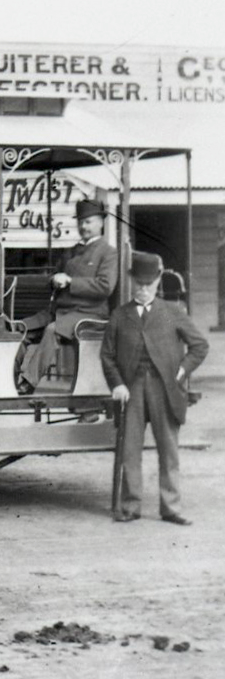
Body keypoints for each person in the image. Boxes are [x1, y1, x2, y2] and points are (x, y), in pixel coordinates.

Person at [101, 251, 209, 525]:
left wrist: (182, 372)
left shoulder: (173, 312)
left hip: (165, 390)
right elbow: (107, 355)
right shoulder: (119, 315)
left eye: (149, 284)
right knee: (130, 451)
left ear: (158, 280)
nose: (143, 289)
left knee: (169, 451)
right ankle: (130, 506)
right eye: (138, 283)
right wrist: (118, 384)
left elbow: (200, 346)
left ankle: (171, 508)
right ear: (131, 280)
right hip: (132, 389)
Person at [16, 198, 117, 392]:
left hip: (89, 314)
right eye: (80, 221)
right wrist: (54, 279)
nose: (83, 226)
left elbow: (105, 287)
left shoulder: (108, 253)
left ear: (101, 223)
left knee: (52, 330)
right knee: (19, 330)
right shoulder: (72, 251)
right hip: (60, 311)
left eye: (88, 221)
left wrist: (70, 281)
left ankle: (28, 383)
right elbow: (56, 274)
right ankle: (9, 380)